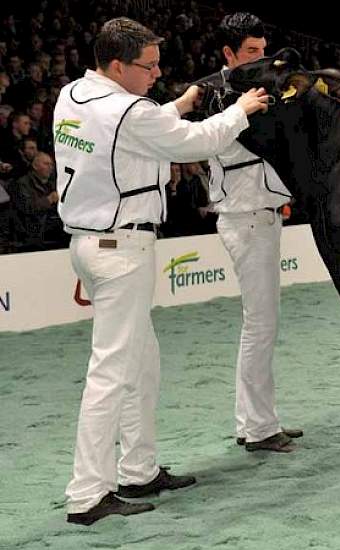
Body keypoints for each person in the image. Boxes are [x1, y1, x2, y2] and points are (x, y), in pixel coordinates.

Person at [58, 17, 270, 526]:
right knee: (110, 371)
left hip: (91, 241)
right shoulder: (130, 111)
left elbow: (140, 131)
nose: (156, 74)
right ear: (116, 65)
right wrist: (240, 110)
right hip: (121, 245)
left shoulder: (74, 95)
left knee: (140, 362)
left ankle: (138, 468)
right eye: (147, 66)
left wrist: (178, 104)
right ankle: (87, 493)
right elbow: (192, 144)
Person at [203, 12, 340, 452]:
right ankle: (259, 429)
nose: (259, 60)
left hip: (262, 213)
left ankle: (254, 421)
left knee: (260, 324)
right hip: (245, 215)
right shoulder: (216, 95)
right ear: (228, 54)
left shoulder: (259, 90)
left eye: (262, 51)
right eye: (250, 53)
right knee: (260, 324)